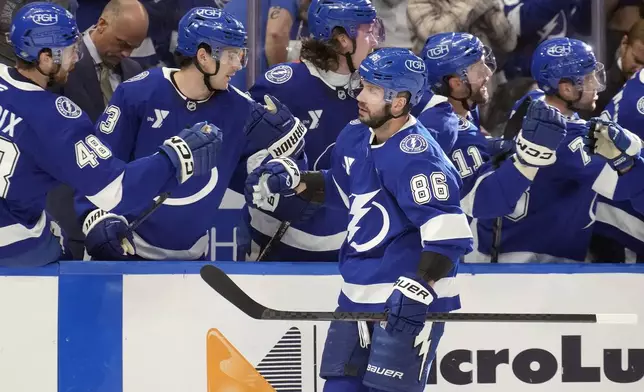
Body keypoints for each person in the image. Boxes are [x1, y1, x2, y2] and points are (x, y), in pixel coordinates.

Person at [246, 48, 473, 392]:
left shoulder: (418, 157)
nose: (359, 95)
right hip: (357, 295)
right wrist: (298, 179)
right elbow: (345, 191)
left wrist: (420, 286)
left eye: (371, 90)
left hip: (405, 301)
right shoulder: (354, 136)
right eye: (362, 85)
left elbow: (449, 236)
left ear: (399, 102)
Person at [75, 7, 307, 261]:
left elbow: (252, 179)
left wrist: (289, 155)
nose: (238, 65)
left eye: (242, 55)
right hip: (128, 249)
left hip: (194, 259)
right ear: (203, 56)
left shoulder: (243, 109)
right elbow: (97, 167)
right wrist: (93, 217)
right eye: (231, 55)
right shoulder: (139, 93)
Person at [0, 2, 221, 266]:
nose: (76, 57)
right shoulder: (56, 118)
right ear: (46, 57)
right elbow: (114, 190)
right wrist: (175, 156)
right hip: (14, 249)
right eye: (71, 50)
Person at [238, 0, 383, 262]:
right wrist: (273, 190)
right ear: (343, 40)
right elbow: (239, 161)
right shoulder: (282, 86)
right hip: (276, 243)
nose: (375, 41)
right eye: (369, 31)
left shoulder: (375, 90)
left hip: (349, 245)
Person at [475, 37, 618, 263]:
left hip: (503, 242)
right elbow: (625, 184)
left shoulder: (530, 101)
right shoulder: (569, 139)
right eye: (588, 78)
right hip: (537, 258)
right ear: (566, 88)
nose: (596, 85)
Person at [419, 32, 567, 226]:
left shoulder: (455, 109)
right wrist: (529, 159)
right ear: (456, 83)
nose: (488, 74)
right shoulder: (447, 129)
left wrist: (488, 145)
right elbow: (483, 202)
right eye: (478, 70)